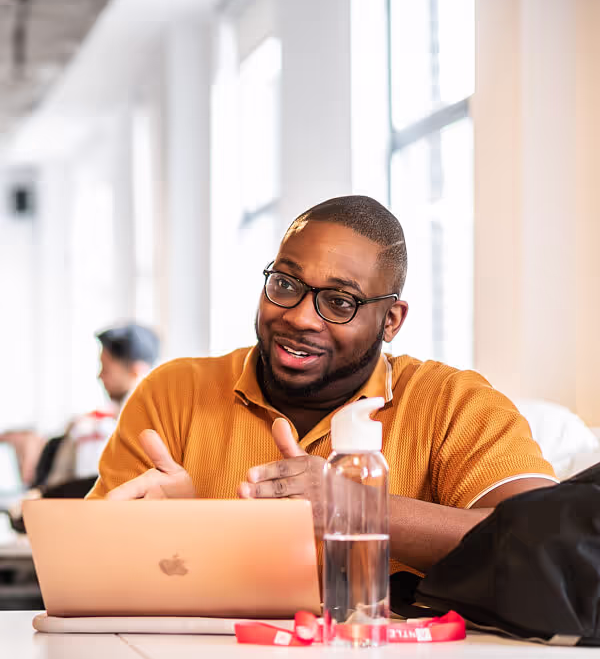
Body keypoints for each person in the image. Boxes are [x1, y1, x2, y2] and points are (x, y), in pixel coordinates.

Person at [88, 196, 556, 573]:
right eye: (285, 284)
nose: (299, 317)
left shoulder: (452, 403)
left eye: (339, 301)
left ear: (391, 320)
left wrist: (355, 508)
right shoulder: (173, 393)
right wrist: (175, 535)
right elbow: (88, 568)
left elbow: (548, 547)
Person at [6, 323, 160, 531]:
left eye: (106, 369)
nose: (99, 376)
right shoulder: (88, 425)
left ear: (135, 370)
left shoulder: (152, 425)